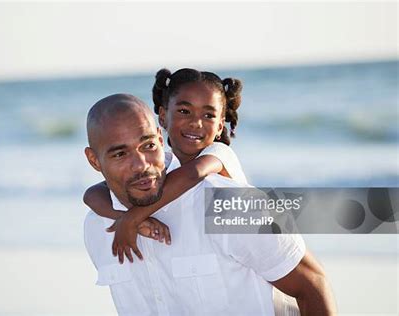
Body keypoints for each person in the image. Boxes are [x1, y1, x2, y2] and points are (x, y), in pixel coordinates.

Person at [83, 93, 336, 315]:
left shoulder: (226, 204)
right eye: (120, 154)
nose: (141, 165)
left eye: (148, 145)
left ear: (161, 139)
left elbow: (312, 284)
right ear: (94, 161)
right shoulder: (97, 228)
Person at [84, 68, 248, 263]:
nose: (196, 123)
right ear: (162, 117)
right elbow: (92, 194)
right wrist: (120, 217)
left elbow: (193, 174)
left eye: (208, 116)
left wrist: (132, 219)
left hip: (248, 224)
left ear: (220, 125)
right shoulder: (164, 164)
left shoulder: (218, 154)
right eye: (184, 111)